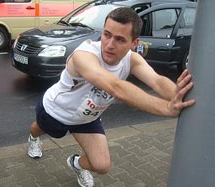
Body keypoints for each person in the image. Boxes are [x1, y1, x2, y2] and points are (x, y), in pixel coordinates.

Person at [27, 7, 195, 187]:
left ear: (133, 42)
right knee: (38, 129)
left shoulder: (132, 59)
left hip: (87, 119)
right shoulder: (84, 55)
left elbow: (157, 80)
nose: (109, 44)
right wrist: (166, 108)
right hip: (57, 110)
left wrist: (179, 96)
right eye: (107, 34)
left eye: (120, 39)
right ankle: (32, 139)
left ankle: (76, 164)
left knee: (102, 165)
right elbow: (115, 87)